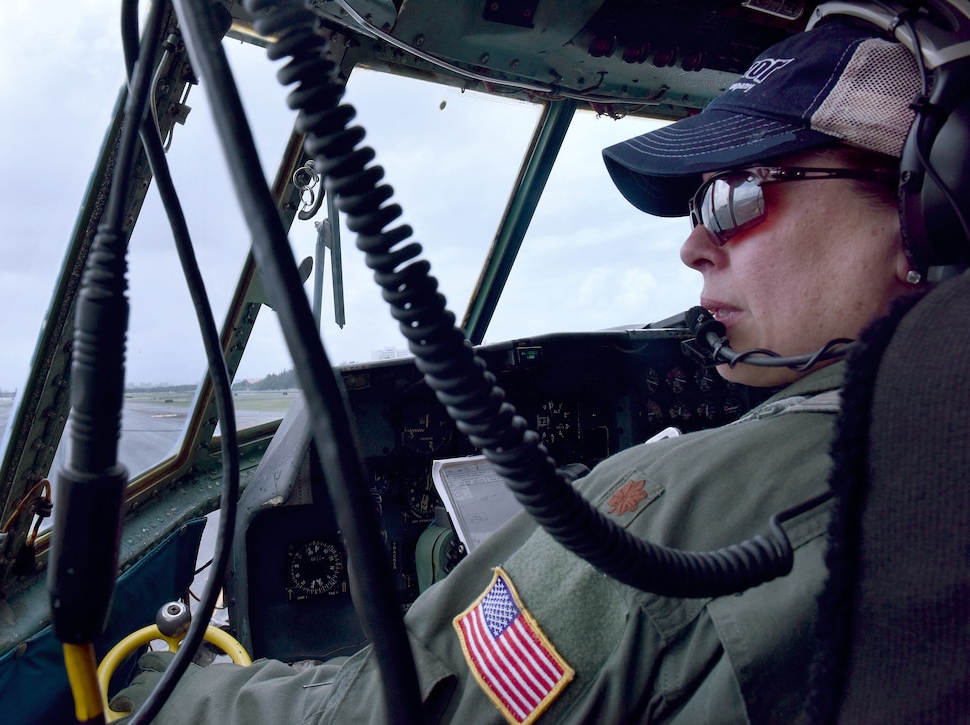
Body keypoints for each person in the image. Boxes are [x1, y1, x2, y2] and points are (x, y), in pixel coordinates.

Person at [114, 18, 924, 723]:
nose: (694, 245)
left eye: (736, 197)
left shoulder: (679, 512)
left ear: (930, 213)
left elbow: (381, 710)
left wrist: (164, 690)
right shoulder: (925, 448)